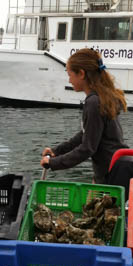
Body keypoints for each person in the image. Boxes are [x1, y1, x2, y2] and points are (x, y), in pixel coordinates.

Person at [41, 48, 128, 184]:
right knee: (88, 204)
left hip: (111, 176)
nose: (69, 80)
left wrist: (53, 163)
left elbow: (87, 148)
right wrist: (56, 151)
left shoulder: (93, 102)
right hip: (114, 169)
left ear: (81, 74)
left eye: (70, 75)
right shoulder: (103, 97)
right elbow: (85, 134)